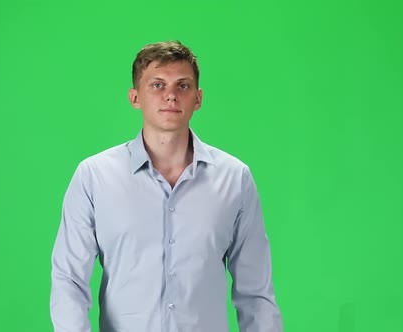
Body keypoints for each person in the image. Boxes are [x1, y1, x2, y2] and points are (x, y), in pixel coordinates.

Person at [50, 40, 282, 332]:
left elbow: (256, 293)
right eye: (157, 85)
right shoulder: (94, 176)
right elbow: (69, 280)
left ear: (198, 99)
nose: (171, 96)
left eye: (182, 86)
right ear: (135, 97)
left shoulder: (234, 178)